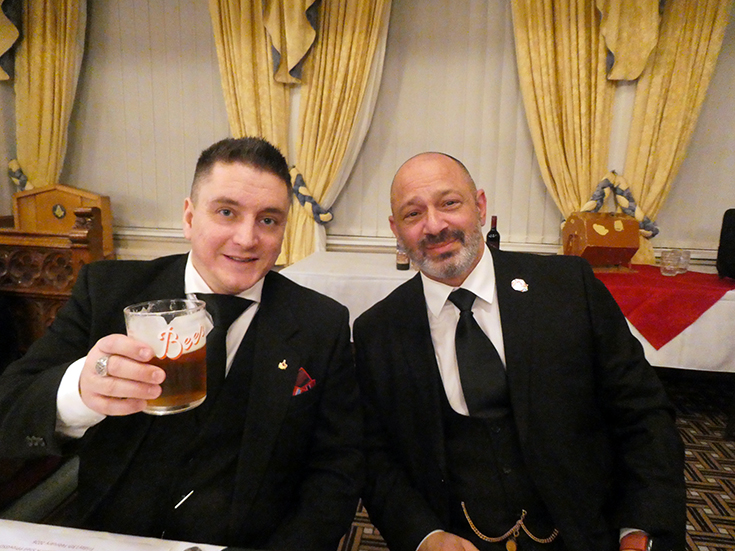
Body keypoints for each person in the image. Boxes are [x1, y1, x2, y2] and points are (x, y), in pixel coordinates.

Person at [0, 137, 363, 550]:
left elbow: (337, 467)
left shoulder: (321, 323)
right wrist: (80, 391)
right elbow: (8, 408)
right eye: (226, 212)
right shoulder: (108, 292)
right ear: (189, 217)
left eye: (268, 220)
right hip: (115, 537)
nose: (247, 238)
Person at [353, 153, 685, 551]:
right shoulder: (377, 331)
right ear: (396, 229)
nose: (435, 225)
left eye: (449, 203)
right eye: (413, 213)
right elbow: (376, 456)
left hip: (585, 531)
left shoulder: (568, 288)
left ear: (480, 207)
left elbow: (643, 414)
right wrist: (424, 536)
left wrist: (640, 529)